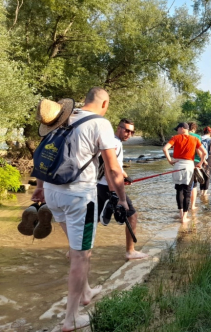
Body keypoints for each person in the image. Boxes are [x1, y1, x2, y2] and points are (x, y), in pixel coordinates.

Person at [31, 87, 128, 332]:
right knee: (80, 255)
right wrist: (122, 199)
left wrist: (40, 187)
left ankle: (86, 292)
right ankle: (70, 319)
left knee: (77, 249)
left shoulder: (62, 117)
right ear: (104, 103)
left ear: (84, 101)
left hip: (52, 192)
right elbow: (113, 169)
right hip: (79, 197)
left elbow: (46, 155)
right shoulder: (100, 123)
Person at [97, 118, 147, 260]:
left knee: (93, 219)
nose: (129, 134)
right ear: (118, 128)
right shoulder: (114, 143)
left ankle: (75, 251)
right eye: (126, 130)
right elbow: (109, 168)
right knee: (132, 216)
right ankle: (130, 251)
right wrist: (116, 193)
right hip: (108, 187)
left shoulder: (112, 141)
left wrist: (125, 176)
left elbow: (116, 166)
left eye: (132, 132)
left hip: (99, 186)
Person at [162, 123, 206, 223]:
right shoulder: (195, 139)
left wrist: (169, 160)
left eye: (177, 129)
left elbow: (165, 149)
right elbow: (204, 153)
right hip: (189, 166)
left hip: (177, 164)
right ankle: (184, 218)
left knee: (179, 191)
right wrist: (200, 163)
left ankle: (181, 213)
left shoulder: (175, 138)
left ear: (182, 128)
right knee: (187, 191)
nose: (177, 131)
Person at [188, 122, 203, 210]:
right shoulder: (197, 137)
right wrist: (202, 161)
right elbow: (199, 151)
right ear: (194, 128)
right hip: (195, 162)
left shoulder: (180, 136)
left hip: (183, 162)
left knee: (183, 185)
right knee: (194, 185)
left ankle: (182, 208)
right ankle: (192, 206)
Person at [199, 126, 211, 196]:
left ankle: (201, 192)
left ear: (203, 132)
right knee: (207, 175)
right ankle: (205, 193)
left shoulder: (199, 138)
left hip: (200, 158)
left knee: (201, 175)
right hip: (208, 158)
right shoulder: (210, 140)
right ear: (210, 132)